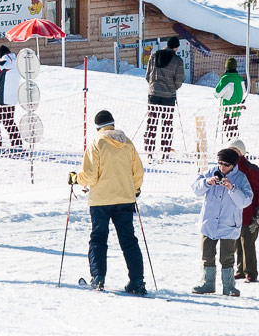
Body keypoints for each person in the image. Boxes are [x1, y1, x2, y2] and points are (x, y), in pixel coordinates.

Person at [69, 110, 147, 295]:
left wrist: (75, 178)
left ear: (97, 127)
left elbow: (89, 177)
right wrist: (134, 189)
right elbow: (138, 172)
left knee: (98, 238)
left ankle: (98, 279)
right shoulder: (127, 142)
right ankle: (137, 281)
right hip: (126, 199)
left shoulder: (97, 142)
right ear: (113, 123)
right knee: (129, 240)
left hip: (101, 200)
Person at [192, 147, 254, 296]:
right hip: (209, 223)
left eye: (226, 164)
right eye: (220, 163)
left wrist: (232, 188)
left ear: (233, 165)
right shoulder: (211, 171)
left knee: (227, 257)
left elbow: (246, 201)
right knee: (207, 254)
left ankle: (229, 286)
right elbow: (195, 189)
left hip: (228, 224)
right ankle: (207, 283)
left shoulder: (240, 178)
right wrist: (206, 182)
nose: (222, 167)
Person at [227, 139, 259, 283]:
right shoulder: (228, 168)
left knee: (248, 243)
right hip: (234, 214)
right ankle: (240, 270)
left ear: (242, 153)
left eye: (236, 151)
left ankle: (251, 272)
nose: (233, 153)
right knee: (237, 243)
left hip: (249, 214)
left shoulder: (251, 169)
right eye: (231, 150)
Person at [143, 36, 185, 159]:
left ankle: (149, 150)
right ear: (176, 47)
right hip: (168, 96)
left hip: (153, 94)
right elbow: (180, 79)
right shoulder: (178, 61)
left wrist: (153, 85)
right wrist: (173, 88)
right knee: (167, 124)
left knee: (152, 123)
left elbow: (147, 75)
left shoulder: (154, 55)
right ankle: (165, 151)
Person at [0, 45, 24, 149]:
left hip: (2, 98)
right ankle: (17, 145)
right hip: (12, 99)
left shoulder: (3, 64)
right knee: (9, 122)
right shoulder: (17, 64)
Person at [215, 58, 245, 138]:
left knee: (228, 131)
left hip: (228, 110)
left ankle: (232, 147)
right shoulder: (240, 79)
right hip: (237, 110)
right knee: (234, 129)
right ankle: (235, 145)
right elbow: (244, 92)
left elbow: (217, 93)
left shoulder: (225, 79)